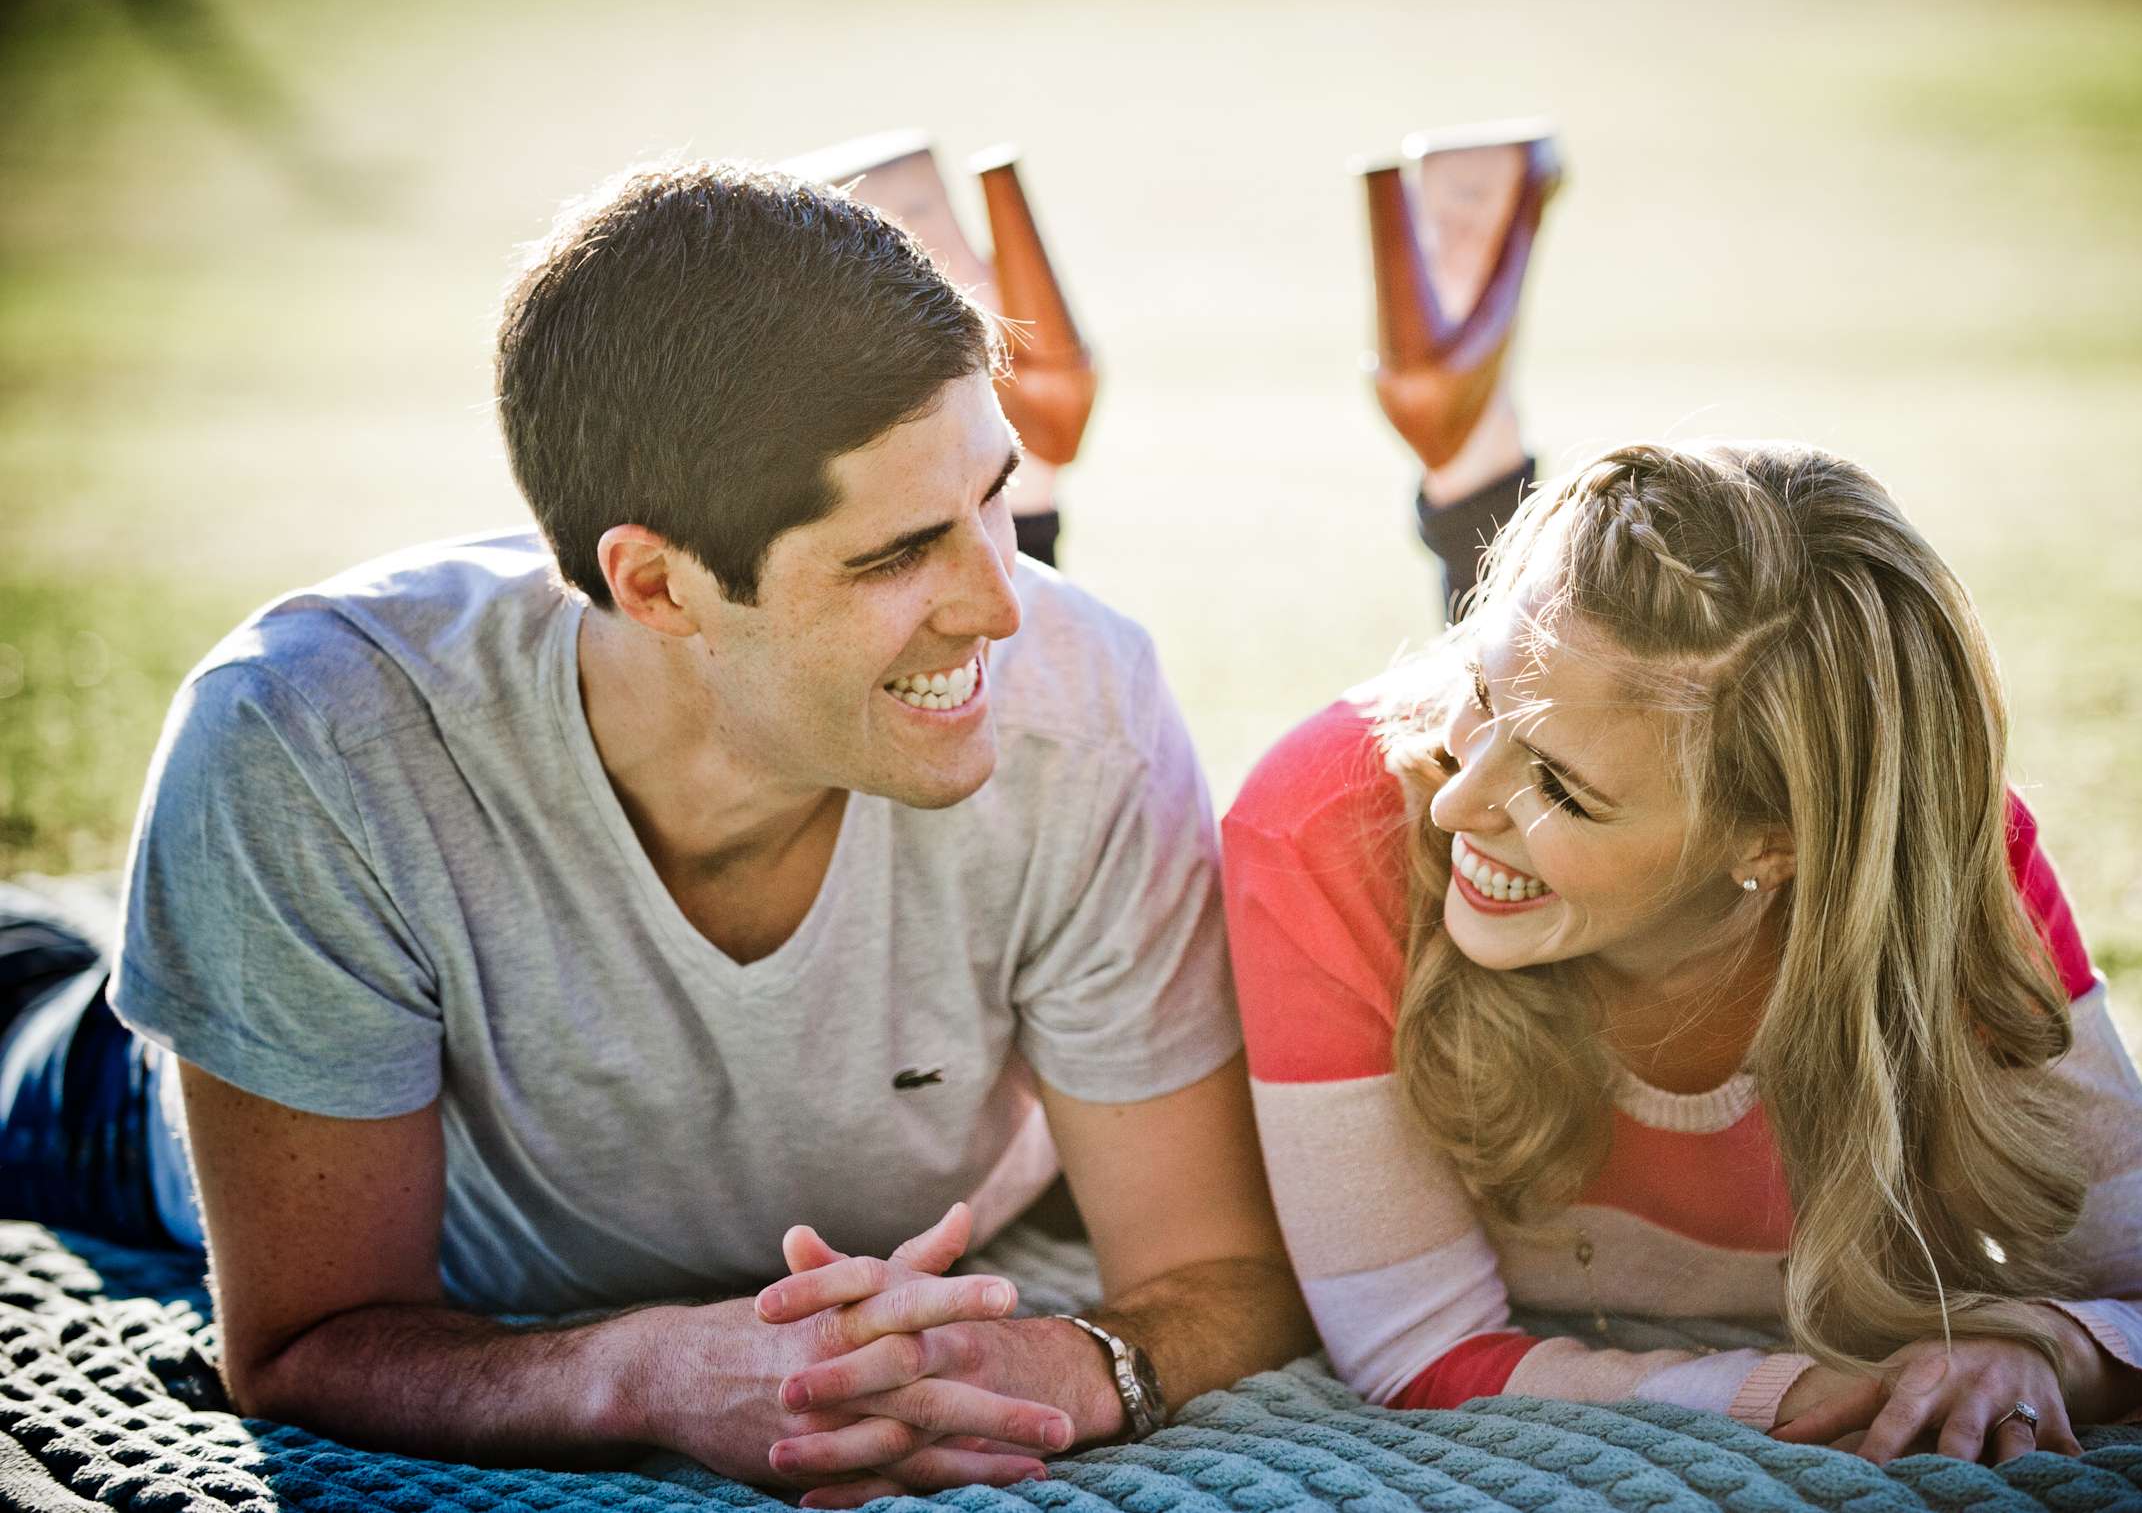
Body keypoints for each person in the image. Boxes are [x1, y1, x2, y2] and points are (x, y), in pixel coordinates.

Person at [0, 160, 1312, 1505]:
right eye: (899, 550)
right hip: (128, 1114)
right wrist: (644, 1376)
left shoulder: (1086, 708)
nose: (1003, 605)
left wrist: (1081, 1362)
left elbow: (1213, 1272)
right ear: (656, 582)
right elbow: (298, 1343)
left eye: (996, 498)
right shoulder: (310, 740)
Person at [1223, 427, 2142, 1466]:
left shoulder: (1942, 863)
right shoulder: (1322, 822)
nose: (1455, 800)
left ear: (1776, 845)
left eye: (1562, 791)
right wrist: (1805, 1393)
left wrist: (2040, 1354)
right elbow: (1415, 1343)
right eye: (1482, 692)